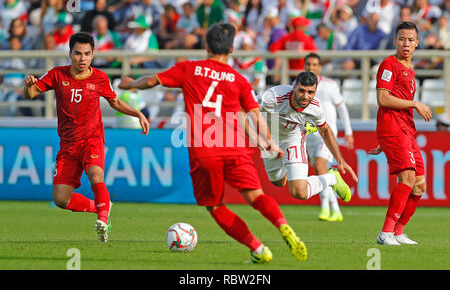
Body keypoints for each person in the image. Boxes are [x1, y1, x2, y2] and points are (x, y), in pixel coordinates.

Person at [118, 23, 308, 264]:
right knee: (255, 195)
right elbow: (254, 114)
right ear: (230, 51)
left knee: (216, 206)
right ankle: (283, 225)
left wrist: (130, 83)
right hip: (235, 147)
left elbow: (153, 81)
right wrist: (268, 142)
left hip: (204, 149)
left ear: (206, 46)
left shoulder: (189, 69)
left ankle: (258, 249)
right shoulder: (239, 80)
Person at [22, 32, 150, 243]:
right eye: (78, 54)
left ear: (93, 55)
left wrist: (138, 113)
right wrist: (28, 86)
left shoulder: (100, 78)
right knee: (61, 199)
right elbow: (32, 94)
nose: (82, 58)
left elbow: (115, 102)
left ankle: (103, 219)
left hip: (92, 139)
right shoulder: (57, 74)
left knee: (95, 174)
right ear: (70, 54)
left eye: (87, 54)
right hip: (68, 146)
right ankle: (101, 206)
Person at [369, 21, 432, 245]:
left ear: (417, 43)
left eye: (410, 40)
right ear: (395, 41)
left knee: (420, 185)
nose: (406, 43)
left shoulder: (410, 69)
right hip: (394, 128)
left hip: (406, 130)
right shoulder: (389, 64)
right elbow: (383, 98)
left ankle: (398, 231)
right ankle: (385, 232)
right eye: (402, 39)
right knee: (407, 178)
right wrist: (415, 104)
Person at [259, 71, 358, 210]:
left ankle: (332, 178)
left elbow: (325, 130)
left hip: (293, 138)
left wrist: (340, 160)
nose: (306, 96)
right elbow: (248, 111)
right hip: (270, 136)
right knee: (278, 182)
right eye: (301, 91)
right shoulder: (273, 97)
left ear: (315, 91)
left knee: (299, 192)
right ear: (294, 88)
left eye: (311, 92)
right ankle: (305, 130)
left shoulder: (315, 107)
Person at [303, 53, 354, 222]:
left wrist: (348, 131)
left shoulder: (328, 85)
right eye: (308, 64)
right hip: (309, 135)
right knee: (319, 170)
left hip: (326, 133)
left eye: (314, 64)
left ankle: (325, 207)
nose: (311, 67)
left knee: (319, 164)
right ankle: (335, 209)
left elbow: (342, 108)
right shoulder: (298, 85)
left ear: (319, 67)